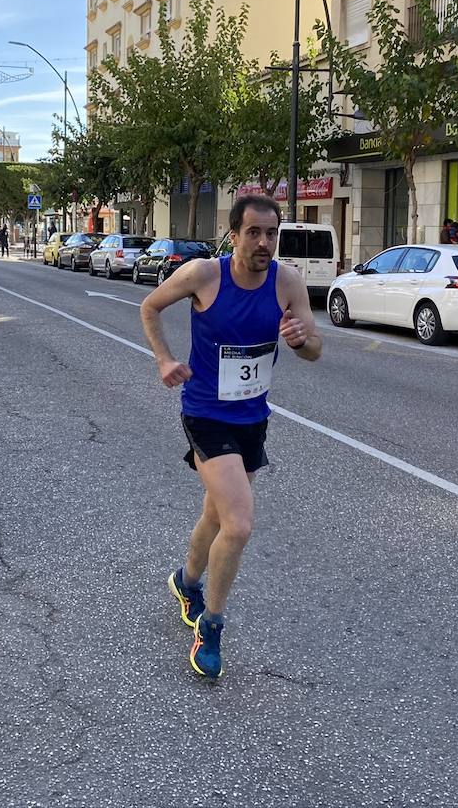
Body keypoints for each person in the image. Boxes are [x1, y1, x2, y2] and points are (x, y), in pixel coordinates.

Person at [138, 194, 321, 679]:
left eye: (272, 234)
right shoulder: (204, 275)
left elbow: (316, 348)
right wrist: (164, 359)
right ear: (235, 235)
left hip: (252, 419)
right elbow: (150, 307)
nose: (264, 243)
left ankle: (186, 581)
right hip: (205, 414)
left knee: (216, 515)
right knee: (238, 524)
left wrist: (303, 340)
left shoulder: (288, 282)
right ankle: (211, 625)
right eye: (254, 233)